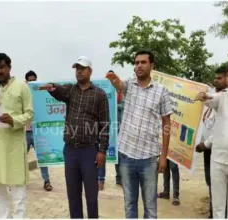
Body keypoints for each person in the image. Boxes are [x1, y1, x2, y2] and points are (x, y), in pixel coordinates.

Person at [38, 56, 109, 218]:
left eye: (82, 68)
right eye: (77, 68)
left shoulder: (100, 95)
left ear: (90, 71)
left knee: (91, 196)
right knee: (73, 196)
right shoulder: (71, 90)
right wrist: (52, 87)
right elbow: (59, 90)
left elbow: (105, 123)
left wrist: (102, 150)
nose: (79, 71)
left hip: (90, 151)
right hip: (70, 151)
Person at [106, 50, 172, 219]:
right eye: (136, 63)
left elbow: (167, 123)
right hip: (126, 156)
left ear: (152, 66)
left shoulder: (161, 91)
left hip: (149, 158)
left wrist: (163, 156)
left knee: (150, 207)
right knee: (129, 205)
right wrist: (114, 80)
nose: (139, 65)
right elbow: (120, 85)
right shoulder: (129, 84)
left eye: (143, 62)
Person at [0, 53, 33, 219]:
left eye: (2, 67)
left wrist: (13, 120)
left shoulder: (21, 87)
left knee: (18, 191)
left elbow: (29, 114)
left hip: (14, 146)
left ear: (9, 67)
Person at [195, 65, 228, 219]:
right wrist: (204, 96)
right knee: (217, 208)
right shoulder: (221, 97)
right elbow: (211, 99)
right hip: (218, 160)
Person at [25, 70, 53, 191]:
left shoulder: (42, 94)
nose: (32, 82)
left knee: (43, 157)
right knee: (19, 158)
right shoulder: (22, 95)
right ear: (26, 81)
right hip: (25, 132)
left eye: (34, 80)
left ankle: (46, 181)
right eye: (29, 80)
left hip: (38, 132)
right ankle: (18, 182)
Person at [98, 70, 123, 191]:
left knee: (118, 155)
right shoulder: (101, 92)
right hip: (104, 129)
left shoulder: (120, 93)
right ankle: (101, 179)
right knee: (102, 153)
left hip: (119, 130)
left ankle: (119, 178)